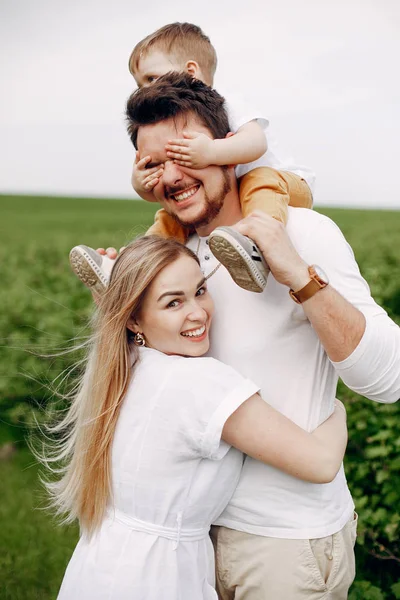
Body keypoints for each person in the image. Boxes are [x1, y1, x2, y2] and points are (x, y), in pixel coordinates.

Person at [103, 73, 398, 599]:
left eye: (185, 154)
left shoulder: (305, 233)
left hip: (283, 545)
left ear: (228, 151)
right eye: (154, 163)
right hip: (187, 540)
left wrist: (301, 278)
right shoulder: (177, 258)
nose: (172, 176)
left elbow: (391, 379)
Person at [50, 236, 348, 600]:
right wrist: (332, 406)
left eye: (201, 290)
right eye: (173, 302)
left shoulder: (123, 365)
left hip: (99, 565)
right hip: (159, 578)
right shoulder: (200, 384)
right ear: (133, 319)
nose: (198, 312)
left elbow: (124, 316)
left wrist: (119, 284)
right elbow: (320, 463)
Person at [70, 22, 315, 294]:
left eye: (151, 79)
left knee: (260, 178)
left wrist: (211, 151)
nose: (143, 90)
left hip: (286, 183)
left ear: (191, 71)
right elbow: (169, 190)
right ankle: (125, 269)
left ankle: (259, 246)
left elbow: (256, 143)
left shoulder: (229, 103)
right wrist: (141, 184)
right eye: (139, 84)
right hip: (242, 187)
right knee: (168, 218)